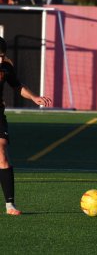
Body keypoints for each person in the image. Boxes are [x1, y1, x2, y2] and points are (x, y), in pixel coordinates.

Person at [0, 36, 52, 215]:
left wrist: (35, 97)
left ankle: (10, 205)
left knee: (2, 150)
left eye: (2, 55)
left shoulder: (6, 68)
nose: (0, 59)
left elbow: (17, 86)